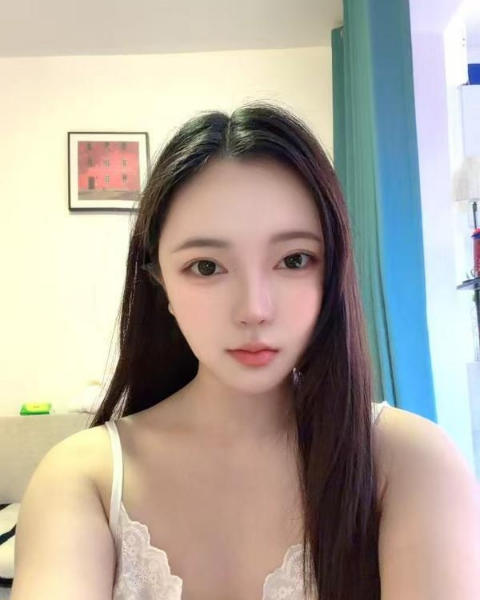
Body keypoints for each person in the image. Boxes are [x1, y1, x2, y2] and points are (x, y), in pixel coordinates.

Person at [11, 102, 480, 600]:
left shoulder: (408, 463)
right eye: (206, 267)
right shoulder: (86, 479)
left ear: (332, 269)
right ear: (160, 283)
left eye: (294, 259)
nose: (254, 309)